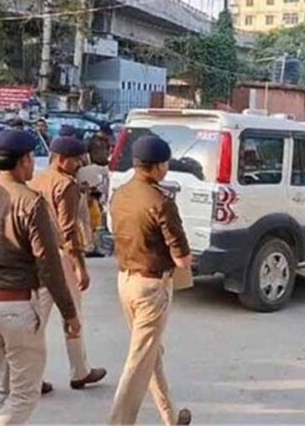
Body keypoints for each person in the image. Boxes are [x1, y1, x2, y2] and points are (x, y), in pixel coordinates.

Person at [0, 129, 82, 425]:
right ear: (23, 161)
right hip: (16, 304)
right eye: (30, 158)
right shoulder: (31, 202)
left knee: (7, 388)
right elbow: (49, 265)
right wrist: (70, 313)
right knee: (24, 396)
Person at [108, 135, 192, 426]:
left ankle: (170, 416)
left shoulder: (120, 194)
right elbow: (182, 258)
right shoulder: (161, 202)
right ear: (157, 166)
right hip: (152, 287)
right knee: (139, 360)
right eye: (165, 164)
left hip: (126, 280)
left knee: (149, 354)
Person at [29, 136, 107, 392]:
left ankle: (30, 375)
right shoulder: (65, 185)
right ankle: (79, 371)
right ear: (62, 160)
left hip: (38, 255)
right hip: (62, 256)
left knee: (36, 318)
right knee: (72, 313)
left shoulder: (36, 181)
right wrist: (80, 267)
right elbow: (69, 230)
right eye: (75, 161)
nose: (78, 165)